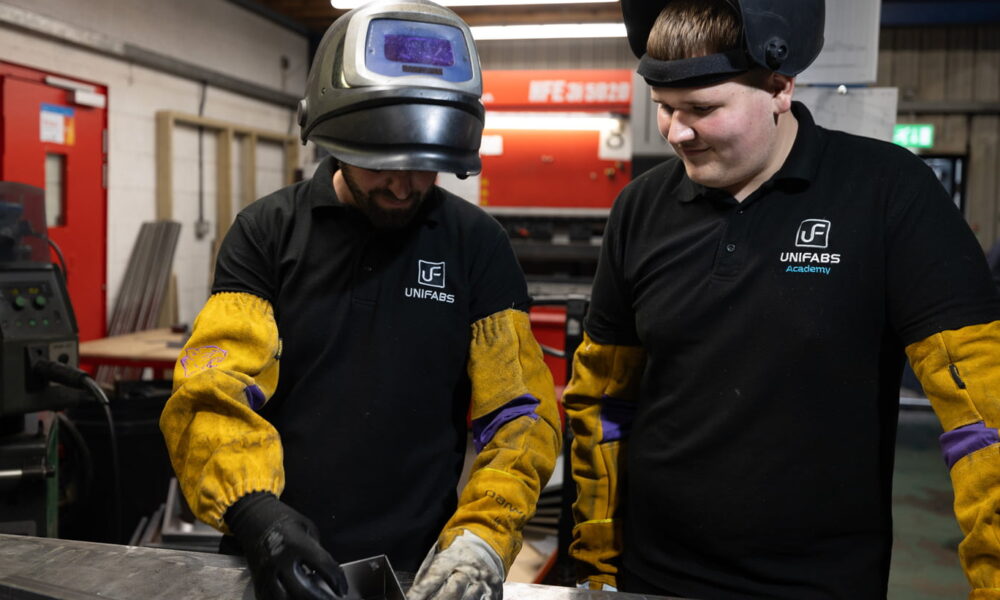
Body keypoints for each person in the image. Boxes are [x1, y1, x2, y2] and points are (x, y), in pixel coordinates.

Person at [563, 1, 1000, 598]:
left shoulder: (889, 192)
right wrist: (596, 563)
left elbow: (983, 417)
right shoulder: (639, 208)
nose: (676, 133)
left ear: (779, 86)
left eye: (702, 109)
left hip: (817, 585)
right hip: (650, 577)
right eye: (663, 109)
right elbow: (603, 402)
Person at [159, 2, 561, 599]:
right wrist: (255, 514)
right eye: (383, 165)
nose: (404, 186)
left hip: (416, 570)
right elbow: (212, 390)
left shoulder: (478, 246)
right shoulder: (266, 232)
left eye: (425, 168)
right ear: (334, 137)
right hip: (271, 556)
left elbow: (519, 417)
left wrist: (482, 536)